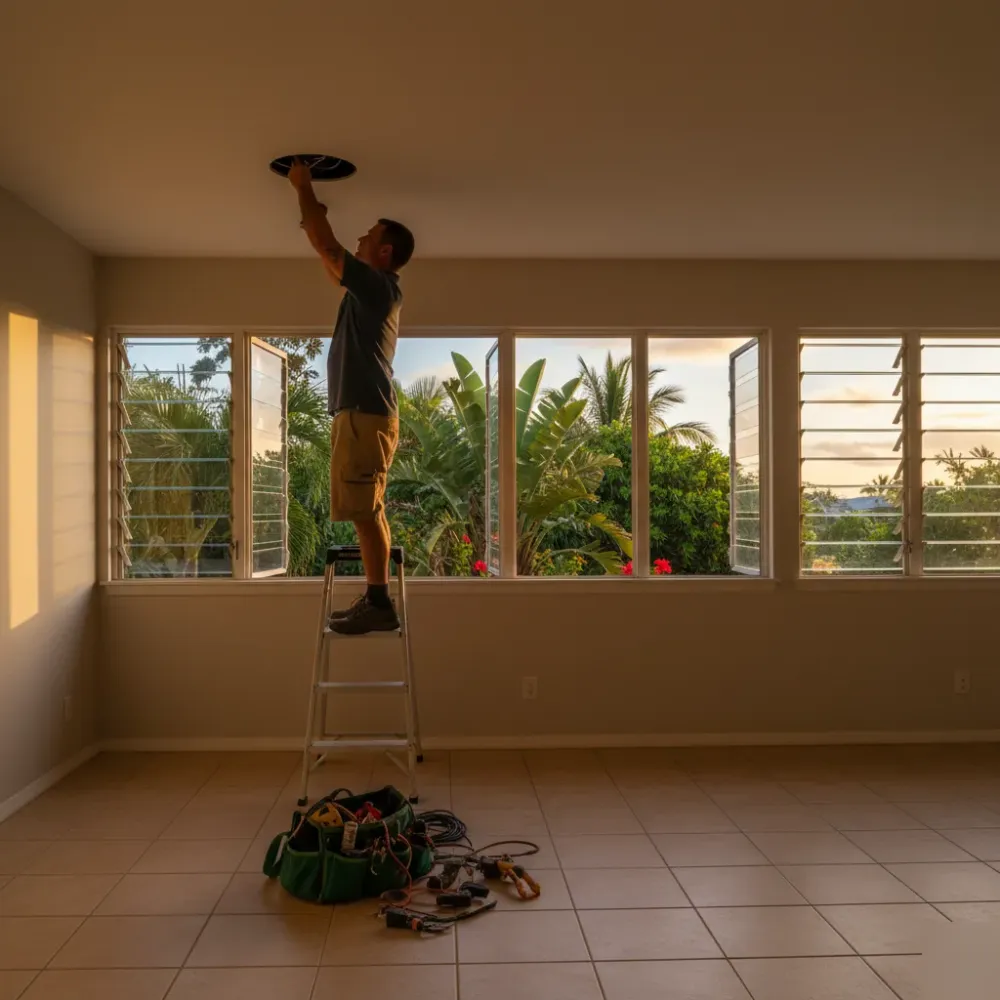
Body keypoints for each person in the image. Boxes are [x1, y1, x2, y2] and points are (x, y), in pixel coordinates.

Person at [288, 158, 415, 634]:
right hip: (362, 413)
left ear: (383, 252)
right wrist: (311, 212)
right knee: (366, 510)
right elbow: (328, 258)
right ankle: (377, 599)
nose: (360, 238)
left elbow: (328, 246)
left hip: (366, 413)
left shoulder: (379, 287)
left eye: (368, 235)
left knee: (365, 510)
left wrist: (303, 188)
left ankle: (378, 603)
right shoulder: (371, 291)